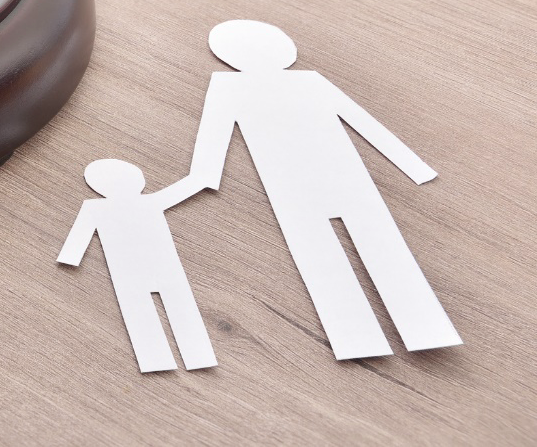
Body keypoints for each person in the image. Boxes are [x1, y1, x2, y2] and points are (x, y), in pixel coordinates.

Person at [176, 20, 460, 359]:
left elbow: (361, 121)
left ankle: (402, 330)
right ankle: (369, 336)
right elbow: (216, 138)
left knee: (345, 249)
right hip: (304, 181)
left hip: (319, 179)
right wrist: (200, 179)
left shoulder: (289, 82)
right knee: (342, 249)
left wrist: (200, 179)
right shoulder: (237, 86)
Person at [59, 158, 217, 373]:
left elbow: (188, 186)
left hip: (140, 269)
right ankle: (170, 357)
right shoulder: (134, 203)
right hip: (146, 268)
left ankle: (181, 356)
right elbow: (187, 186)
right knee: (157, 309)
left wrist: (71, 257)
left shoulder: (104, 206)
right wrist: (71, 257)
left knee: (154, 310)